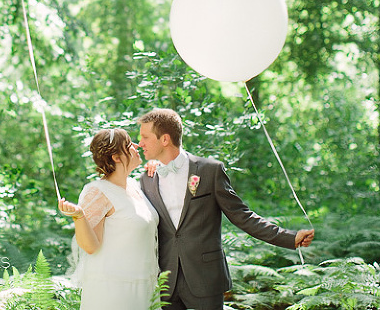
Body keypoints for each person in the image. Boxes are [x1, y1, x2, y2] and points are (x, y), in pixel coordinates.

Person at [137, 108, 315, 310]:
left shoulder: (209, 171)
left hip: (205, 276)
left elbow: (242, 216)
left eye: (145, 137)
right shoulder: (147, 179)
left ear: (165, 139)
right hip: (166, 280)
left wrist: (289, 237)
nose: (140, 143)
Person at [58, 128, 160, 310]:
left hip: (144, 286)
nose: (136, 146)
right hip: (114, 291)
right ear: (116, 157)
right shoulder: (97, 191)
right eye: (129, 144)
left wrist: (161, 167)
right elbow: (90, 246)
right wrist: (78, 215)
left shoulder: (135, 186)